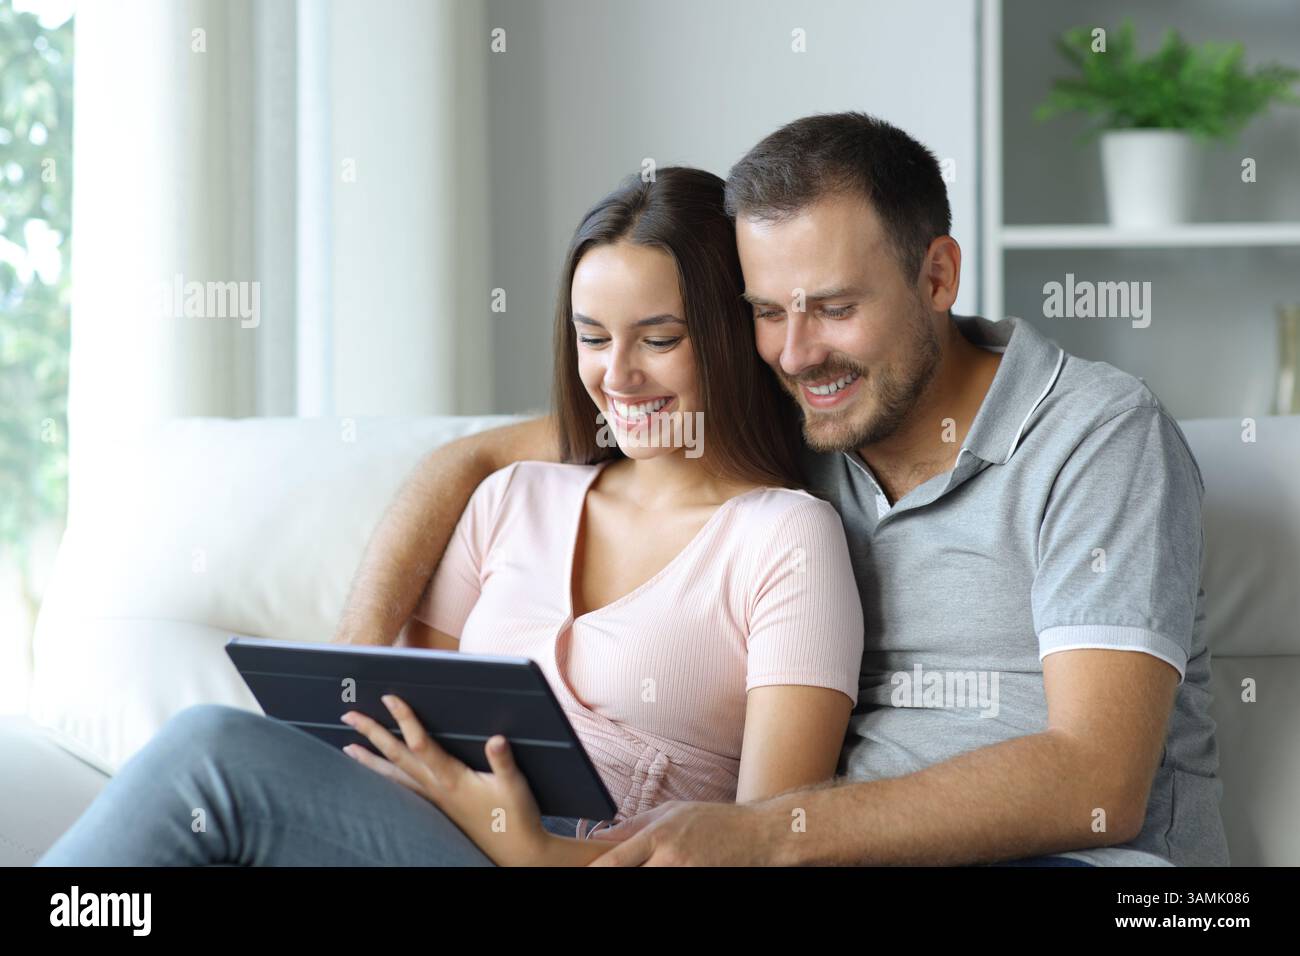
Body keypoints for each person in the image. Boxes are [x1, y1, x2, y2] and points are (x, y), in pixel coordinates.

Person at [334, 112, 1229, 867]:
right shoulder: (793, 405)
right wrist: (343, 679)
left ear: (939, 277)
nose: (797, 352)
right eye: (767, 312)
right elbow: (473, 461)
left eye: (836, 308)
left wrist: (764, 833)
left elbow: (1098, 782)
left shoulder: (1098, 435)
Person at [36, 167, 864, 867]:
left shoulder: (786, 539)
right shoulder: (516, 499)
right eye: (591, 338)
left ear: (725, 335)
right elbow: (398, 725)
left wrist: (536, 851)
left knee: (206, 754)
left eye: (658, 338)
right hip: (410, 836)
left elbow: (766, 845)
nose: (617, 376)